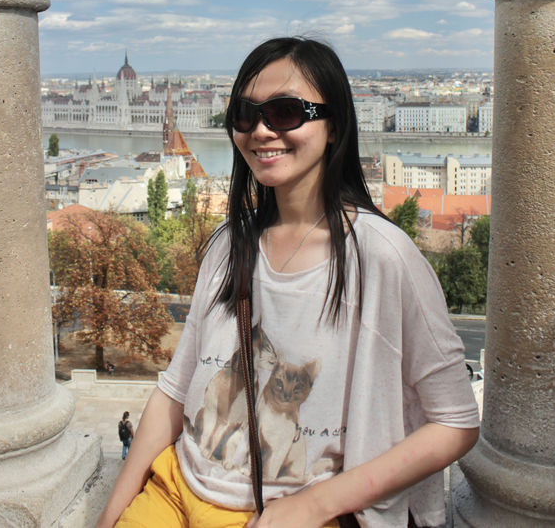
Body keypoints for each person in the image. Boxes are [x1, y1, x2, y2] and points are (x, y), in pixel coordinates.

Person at [97, 37, 479, 528]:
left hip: (294, 511)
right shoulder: (227, 245)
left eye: (284, 112)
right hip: (178, 487)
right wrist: (109, 517)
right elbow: (173, 395)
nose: (260, 130)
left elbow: (456, 422)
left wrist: (313, 504)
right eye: (245, 114)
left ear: (334, 124)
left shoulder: (383, 257)